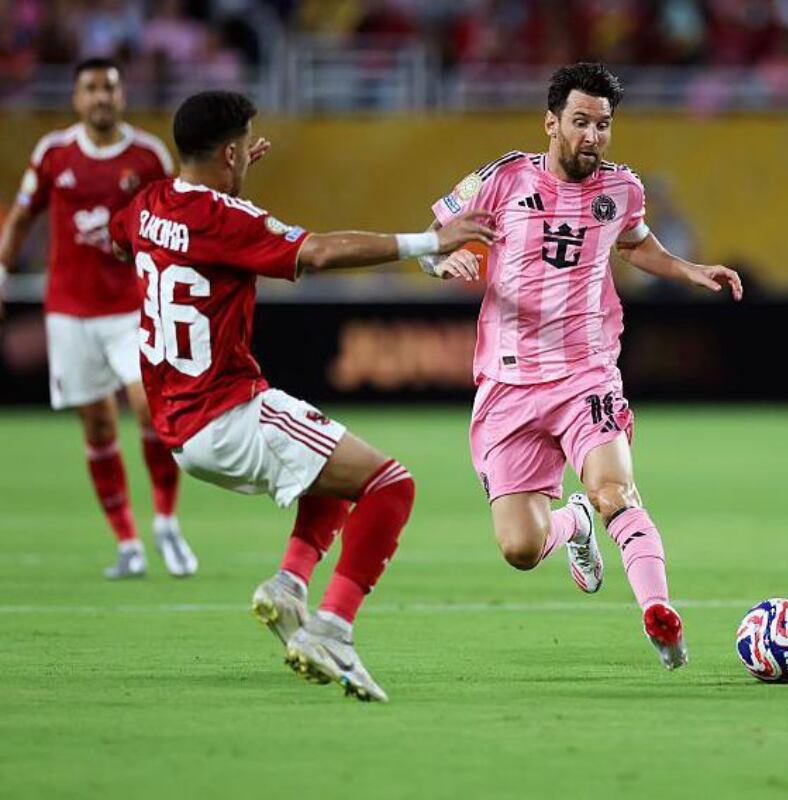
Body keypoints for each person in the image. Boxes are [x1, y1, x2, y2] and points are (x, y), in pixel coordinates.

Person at [108, 90, 497, 702]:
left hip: (178, 425)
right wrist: (429, 242)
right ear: (233, 151)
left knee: (335, 475)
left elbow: (122, 240)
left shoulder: (147, 202)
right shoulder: (228, 220)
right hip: (228, 412)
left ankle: (289, 585)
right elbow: (315, 251)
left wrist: (223, 194)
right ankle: (334, 629)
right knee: (391, 485)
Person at [424, 62, 743, 670]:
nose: (593, 136)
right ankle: (572, 524)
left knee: (614, 489)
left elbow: (637, 242)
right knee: (519, 548)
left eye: (603, 124)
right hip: (507, 385)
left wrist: (690, 269)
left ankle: (659, 615)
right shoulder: (501, 180)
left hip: (585, 374)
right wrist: (444, 264)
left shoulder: (621, 189)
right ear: (551, 122)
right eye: (580, 122)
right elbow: (430, 240)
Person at [0, 58, 194, 580]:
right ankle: (128, 543)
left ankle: (166, 523)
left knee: (150, 411)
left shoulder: (148, 155)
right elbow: (22, 216)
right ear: (76, 98)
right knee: (98, 425)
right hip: (68, 312)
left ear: (122, 95)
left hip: (133, 308)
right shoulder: (54, 153)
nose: (101, 96)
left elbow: (183, 216)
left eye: (109, 87)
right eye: (91, 88)